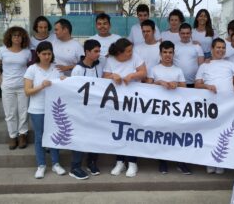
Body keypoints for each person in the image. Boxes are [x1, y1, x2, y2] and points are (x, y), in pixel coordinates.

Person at [195, 38, 234, 174]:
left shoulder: (230, 65)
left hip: (228, 106)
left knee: (224, 133)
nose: (221, 50)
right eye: (218, 47)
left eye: (223, 48)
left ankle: (221, 162)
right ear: (212, 49)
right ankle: (209, 162)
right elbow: (197, 84)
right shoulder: (204, 66)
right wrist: (207, 86)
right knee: (210, 133)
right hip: (209, 106)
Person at [103, 38, 147, 177]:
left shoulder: (135, 57)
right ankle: (120, 161)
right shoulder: (110, 60)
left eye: (131, 50)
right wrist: (113, 76)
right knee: (119, 131)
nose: (131, 53)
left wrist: (133, 75)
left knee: (132, 131)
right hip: (116, 102)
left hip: (133, 101)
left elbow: (143, 72)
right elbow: (104, 76)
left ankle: (133, 163)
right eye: (128, 51)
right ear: (119, 52)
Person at [146, 41, 191, 175]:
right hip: (158, 109)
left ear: (173, 53)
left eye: (170, 52)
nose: (167, 55)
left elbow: (185, 89)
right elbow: (146, 88)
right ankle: (163, 162)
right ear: (160, 53)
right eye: (165, 52)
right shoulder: (154, 69)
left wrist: (176, 84)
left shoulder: (178, 70)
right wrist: (159, 82)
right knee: (161, 135)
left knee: (178, 135)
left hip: (176, 109)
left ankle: (180, 163)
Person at [24, 41, 66, 179]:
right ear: (38, 54)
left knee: (54, 136)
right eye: (44, 54)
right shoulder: (32, 69)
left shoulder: (56, 68)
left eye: (49, 53)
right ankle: (41, 165)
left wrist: (65, 81)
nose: (47, 56)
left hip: (54, 109)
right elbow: (27, 91)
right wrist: (41, 86)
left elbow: (64, 87)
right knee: (40, 137)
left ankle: (55, 164)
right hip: (37, 109)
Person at [69, 39, 104, 180]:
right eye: (96, 51)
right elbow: (72, 91)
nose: (98, 54)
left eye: (99, 51)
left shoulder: (99, 66)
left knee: (94, 137)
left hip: (96, 110)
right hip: (80, 111)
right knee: (79, 138)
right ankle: (75, 167)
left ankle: (91, 162)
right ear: (87, 52)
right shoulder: (77, 69)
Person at [0, 26, 31, 150]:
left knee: (23, 112)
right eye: (14, 35)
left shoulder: (27, 52)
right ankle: (12, 136)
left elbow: (31, 69)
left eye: (19, 35)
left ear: (23, 38)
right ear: (10, 37)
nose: (16, 37)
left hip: (23, 87)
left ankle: (23, 135)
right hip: (7, 87)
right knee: (10, 113)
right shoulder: (2, 50)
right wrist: (1, 84)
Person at [174, 23, 204, 88]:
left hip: (193, 82)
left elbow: (201, 66)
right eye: (183, 33)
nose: (185, 35)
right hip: (177, 82)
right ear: (179, 33)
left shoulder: (197, 46)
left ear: (191, 33)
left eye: (187, 33)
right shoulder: (174, 46)